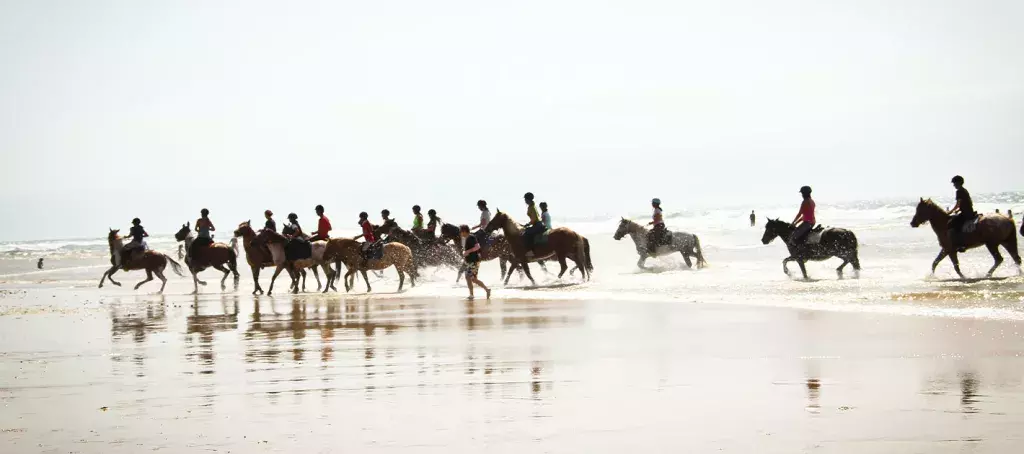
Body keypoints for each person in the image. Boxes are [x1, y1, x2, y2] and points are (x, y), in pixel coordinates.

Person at [460, 224, 491, 300]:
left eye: (461, 232)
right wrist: (465, 254)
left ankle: (484, 291)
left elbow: (477, 247)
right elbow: (470, 250)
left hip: (474, 262)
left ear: (464, 231)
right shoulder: (467, 238)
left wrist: (467, 251)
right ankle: (474, 294)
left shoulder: (471, 237)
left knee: (470, 278)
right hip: (470, 262)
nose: (460, 233)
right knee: (471, 278)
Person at [948, 175, 976, 252]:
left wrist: (950, 211)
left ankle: (960, 243)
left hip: (966, 213)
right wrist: (958, 210)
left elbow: (958, 204)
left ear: (958, 183)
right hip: (969, 211)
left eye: (954, 183)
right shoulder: (964, 190)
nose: (954, 185)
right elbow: (966, 203)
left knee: (954, 223)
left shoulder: (959, 191)